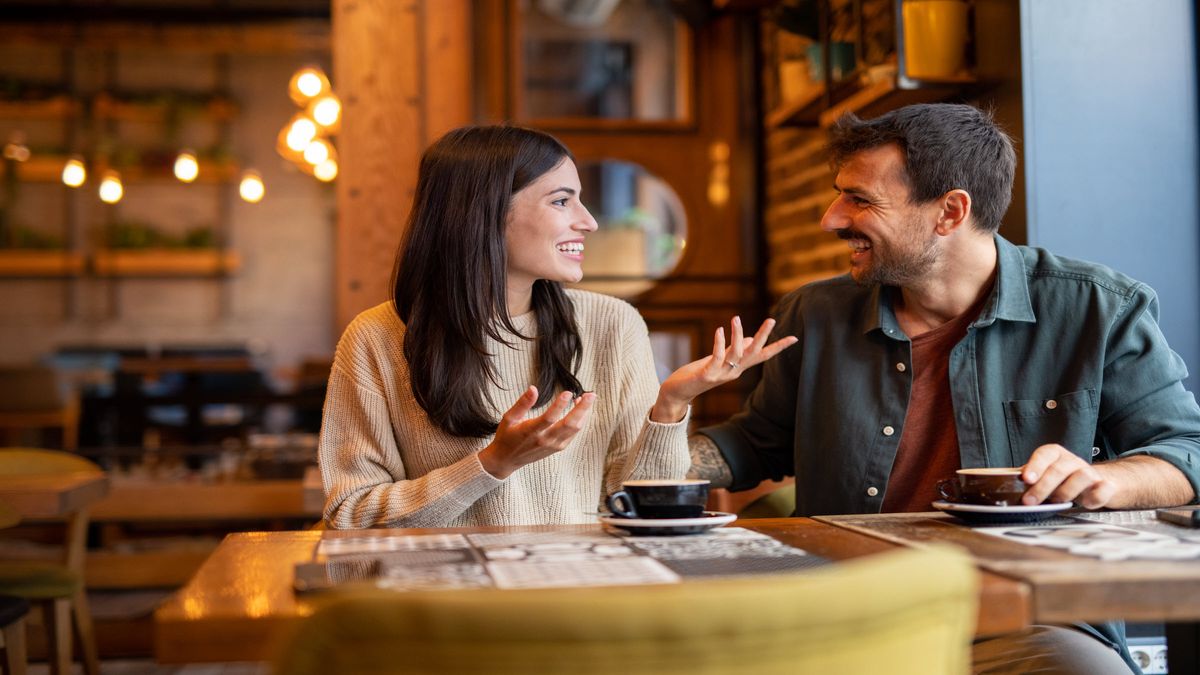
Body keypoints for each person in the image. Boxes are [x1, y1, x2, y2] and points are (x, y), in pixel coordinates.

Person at [688, 103, 1200, 674]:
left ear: (950, 212)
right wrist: (663, 429)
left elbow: (1187, 454)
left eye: (860, 199)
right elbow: (756, 444)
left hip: (1027, 622)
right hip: (842, 616)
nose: (831, 219)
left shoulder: (1097, 308)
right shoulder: (812, 315)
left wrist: (1102, 479)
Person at [319, 125, 794, 530]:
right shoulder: (377, 338)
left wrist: (670, 405)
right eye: (562, 201)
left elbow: (638, 506)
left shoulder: (612, 324)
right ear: (483, 212)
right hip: (446, 611)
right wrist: (492, 465)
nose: (587, 222)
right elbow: (350, 514)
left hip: (580, 599)